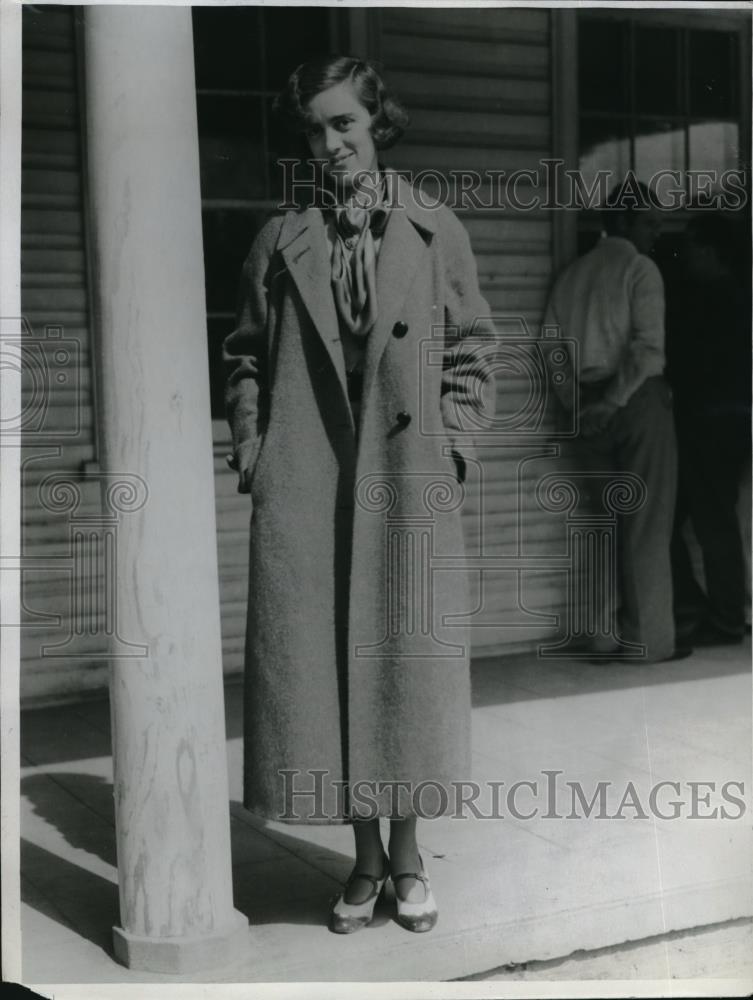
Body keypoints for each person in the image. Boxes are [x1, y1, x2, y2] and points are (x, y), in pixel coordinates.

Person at [222, 56, 493, 935]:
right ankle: (363, 856)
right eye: (315, 128)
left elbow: (472, 349)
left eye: (345, 124)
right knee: (326, 663)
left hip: (406, 474)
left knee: (402, 664)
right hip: (309, 481)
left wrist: (452, 450)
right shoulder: (282, 237)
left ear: (378, 124)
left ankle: (407, 859)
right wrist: (257, 450)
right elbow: (246, 358)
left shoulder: (433, 226)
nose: (330, 142)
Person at [544, 181, 688, 663]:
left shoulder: (571, 275)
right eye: (648, 221)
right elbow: (648, 349)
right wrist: (614, 401)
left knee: (602, 522)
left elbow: (552, 350)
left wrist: (576, 405)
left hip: (586, 407)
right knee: (647, 522)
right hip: (636, 400)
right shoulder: (640, 269)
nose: (656, 230)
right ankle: (646, 641)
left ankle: (604, 635)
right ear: (622, 221)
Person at [666, 212, 751, 645]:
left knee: (707, 520)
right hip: (728, 421)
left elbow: (686, 365)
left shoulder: (710, 299)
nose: (685, 256)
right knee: (697, 518)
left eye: (692, 247)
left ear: (711, 251)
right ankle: (709, 609)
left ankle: (724, 616)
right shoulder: (736, 296)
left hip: (707, 422)